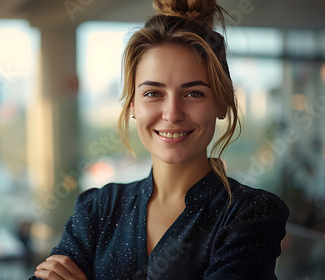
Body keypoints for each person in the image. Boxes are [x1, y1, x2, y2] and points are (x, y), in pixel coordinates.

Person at [31, 0, 289, 279]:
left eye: (194, 93)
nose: (172, 114)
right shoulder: (98, 208)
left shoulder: (250, 214)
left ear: (223, 102)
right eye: (153, 93)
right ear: (132, 105)